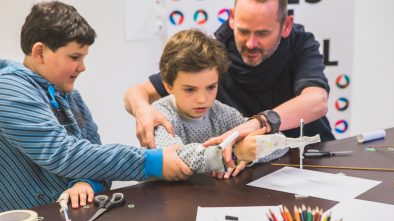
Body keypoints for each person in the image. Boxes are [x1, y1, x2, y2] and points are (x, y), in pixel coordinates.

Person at [0, 1, 191, 212]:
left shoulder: (71, 96)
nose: (82, 67)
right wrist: (151, 162)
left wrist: (87, 183)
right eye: (74, 57)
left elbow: (96, 157)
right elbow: (63, 154)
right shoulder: (8, 88)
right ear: (39, 52)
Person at [124, 0, 335, 159]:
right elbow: (136, 93)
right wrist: (143, 111)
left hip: (308, 157)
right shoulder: (214, 51)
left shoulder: (300, 44)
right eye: (243, 31)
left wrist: (259, 124)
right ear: (232, 18)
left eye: (262, 33)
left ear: (286, 25)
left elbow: (317, 100)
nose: (251, 43)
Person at [151, 29, 288, 178]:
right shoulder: (159, 114)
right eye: (190, 89)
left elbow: (282, 143)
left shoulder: (222, 113)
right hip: (170, 198)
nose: (202, 99)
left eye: (211, 87)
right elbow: (173, 156)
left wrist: (248, 157)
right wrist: (234, 153)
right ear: (168, 86)